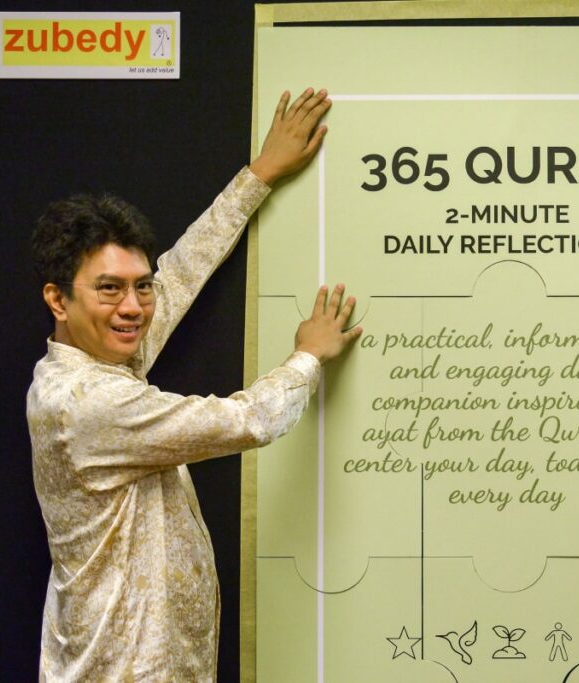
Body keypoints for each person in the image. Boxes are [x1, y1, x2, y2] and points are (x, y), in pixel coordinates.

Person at [27, 87, 360, 680]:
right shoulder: (89, 401)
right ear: (58, 300)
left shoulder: (101, 361)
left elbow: (178, 275)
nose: (134, 306)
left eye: (140, 286)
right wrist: (308, 357)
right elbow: (247, 421)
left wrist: (259, 175)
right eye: (109, 288)